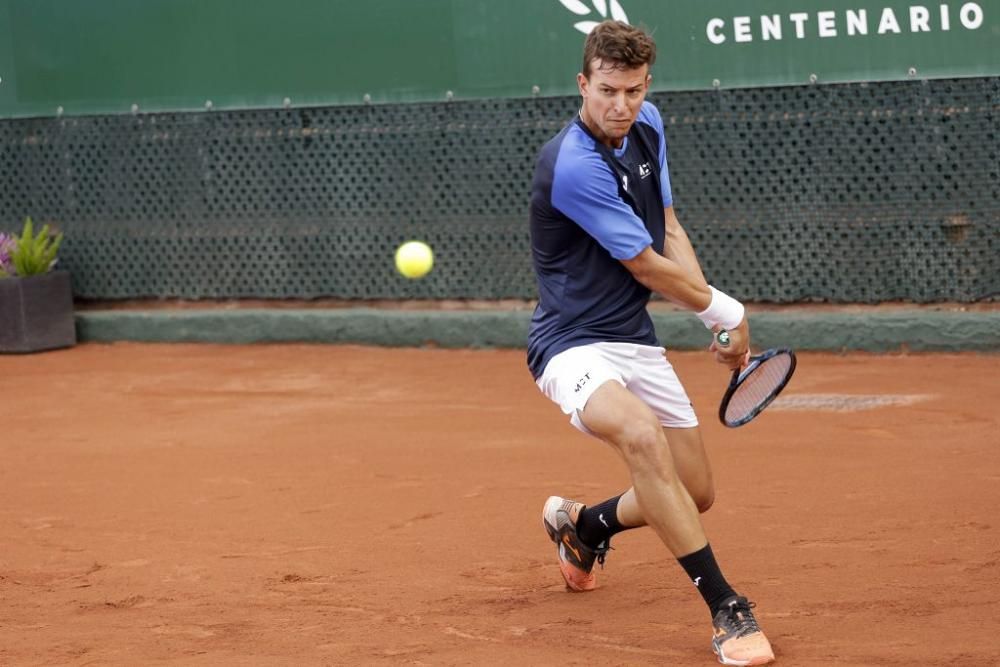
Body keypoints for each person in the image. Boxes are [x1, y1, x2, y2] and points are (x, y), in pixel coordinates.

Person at [527, 20, 775, 666]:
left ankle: (585, 525)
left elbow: (666, 227)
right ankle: (727, 606)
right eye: (607, 90)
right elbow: (641, 263)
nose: (621, 105)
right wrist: (728, 309)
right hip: (570, 342)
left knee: (692, 493)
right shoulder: (571, 163)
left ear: (647, 86)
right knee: (640, 435)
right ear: (583, 84)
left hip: (633, 337)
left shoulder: (650, 125)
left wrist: (713, 324)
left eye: (633, 90)